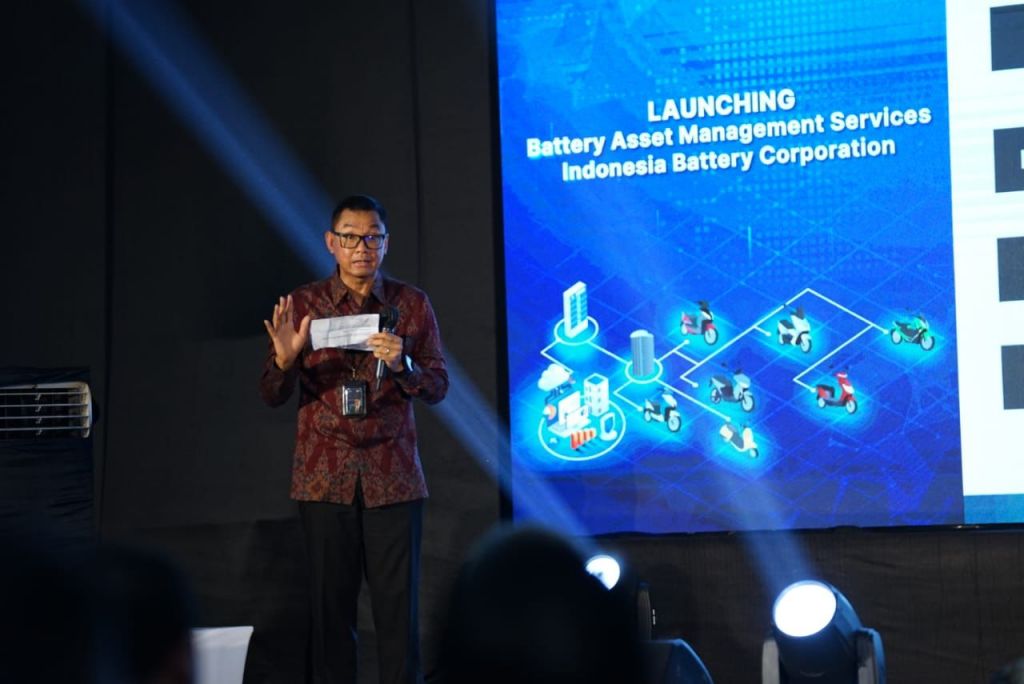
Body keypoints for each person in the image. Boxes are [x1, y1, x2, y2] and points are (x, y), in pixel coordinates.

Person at [260, 194, 448, 684]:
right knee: (330, 618)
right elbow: (271, 394)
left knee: (398, 617)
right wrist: (284, 361)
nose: (361, 247)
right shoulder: (304, 305)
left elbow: (438, 387)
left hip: (393, 477)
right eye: (350, 237)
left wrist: (404, 363)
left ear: (386, 243)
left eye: (372, 237)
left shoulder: (410, 304)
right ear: (331, 242)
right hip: (324, 480)